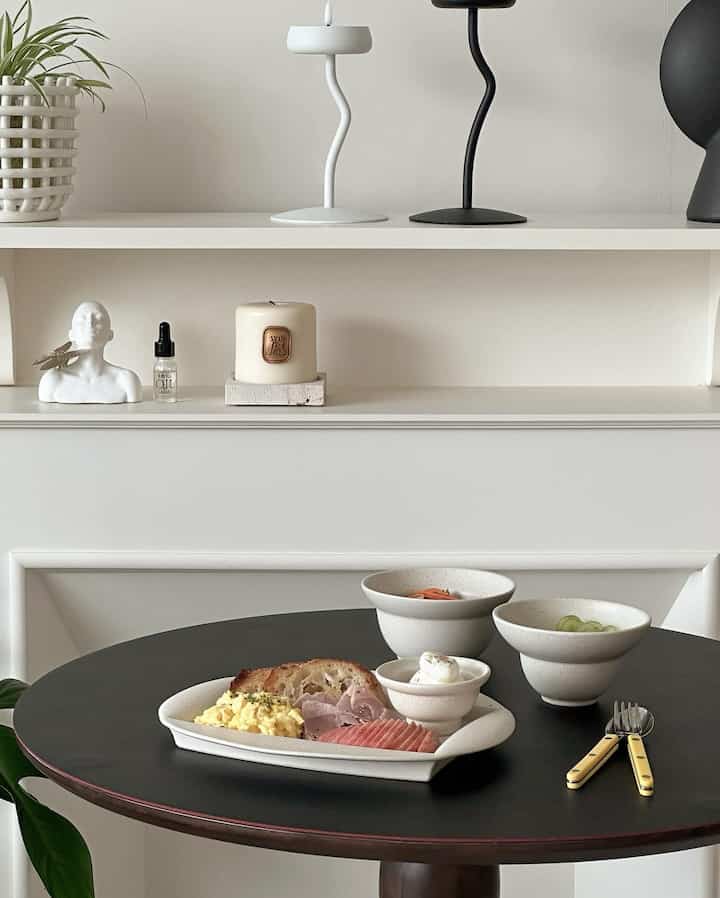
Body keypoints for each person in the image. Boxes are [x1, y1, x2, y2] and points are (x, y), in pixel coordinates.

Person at [38, 302, 142, 404]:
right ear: (71, 334)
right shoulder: (52, 381)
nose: (90, 324)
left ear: (110, 335)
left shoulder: (127, 381)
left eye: (99, 320)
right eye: (81, 321)